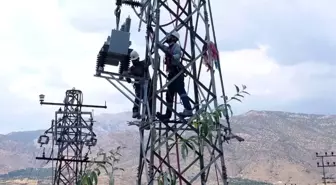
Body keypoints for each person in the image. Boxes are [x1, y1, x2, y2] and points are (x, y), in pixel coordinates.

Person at [156, 31, 193, 121]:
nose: (167, 38)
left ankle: (188, 109)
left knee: (181, 91)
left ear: (173, 38)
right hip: (172, 74)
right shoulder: (170, 47)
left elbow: (177, 56)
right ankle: (168, 115)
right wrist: (153, 36)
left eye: (169, 37)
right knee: (169, 94)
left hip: (177, 73)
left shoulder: (176, 47)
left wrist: (171, 55)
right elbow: (163, 47)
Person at [125, 50, 152, 119]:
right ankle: (136, 111)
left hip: (147, 85)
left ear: (138, 59)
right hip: (139, 86)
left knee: (148, 100)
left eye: (135, 60)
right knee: (138, 98)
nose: (134, 62)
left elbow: (151, 60)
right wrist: (127, 77)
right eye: (133, 61)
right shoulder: (132, 68)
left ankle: (148, 115)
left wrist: (149, 58)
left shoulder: (143, 63)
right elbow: (126, 73)